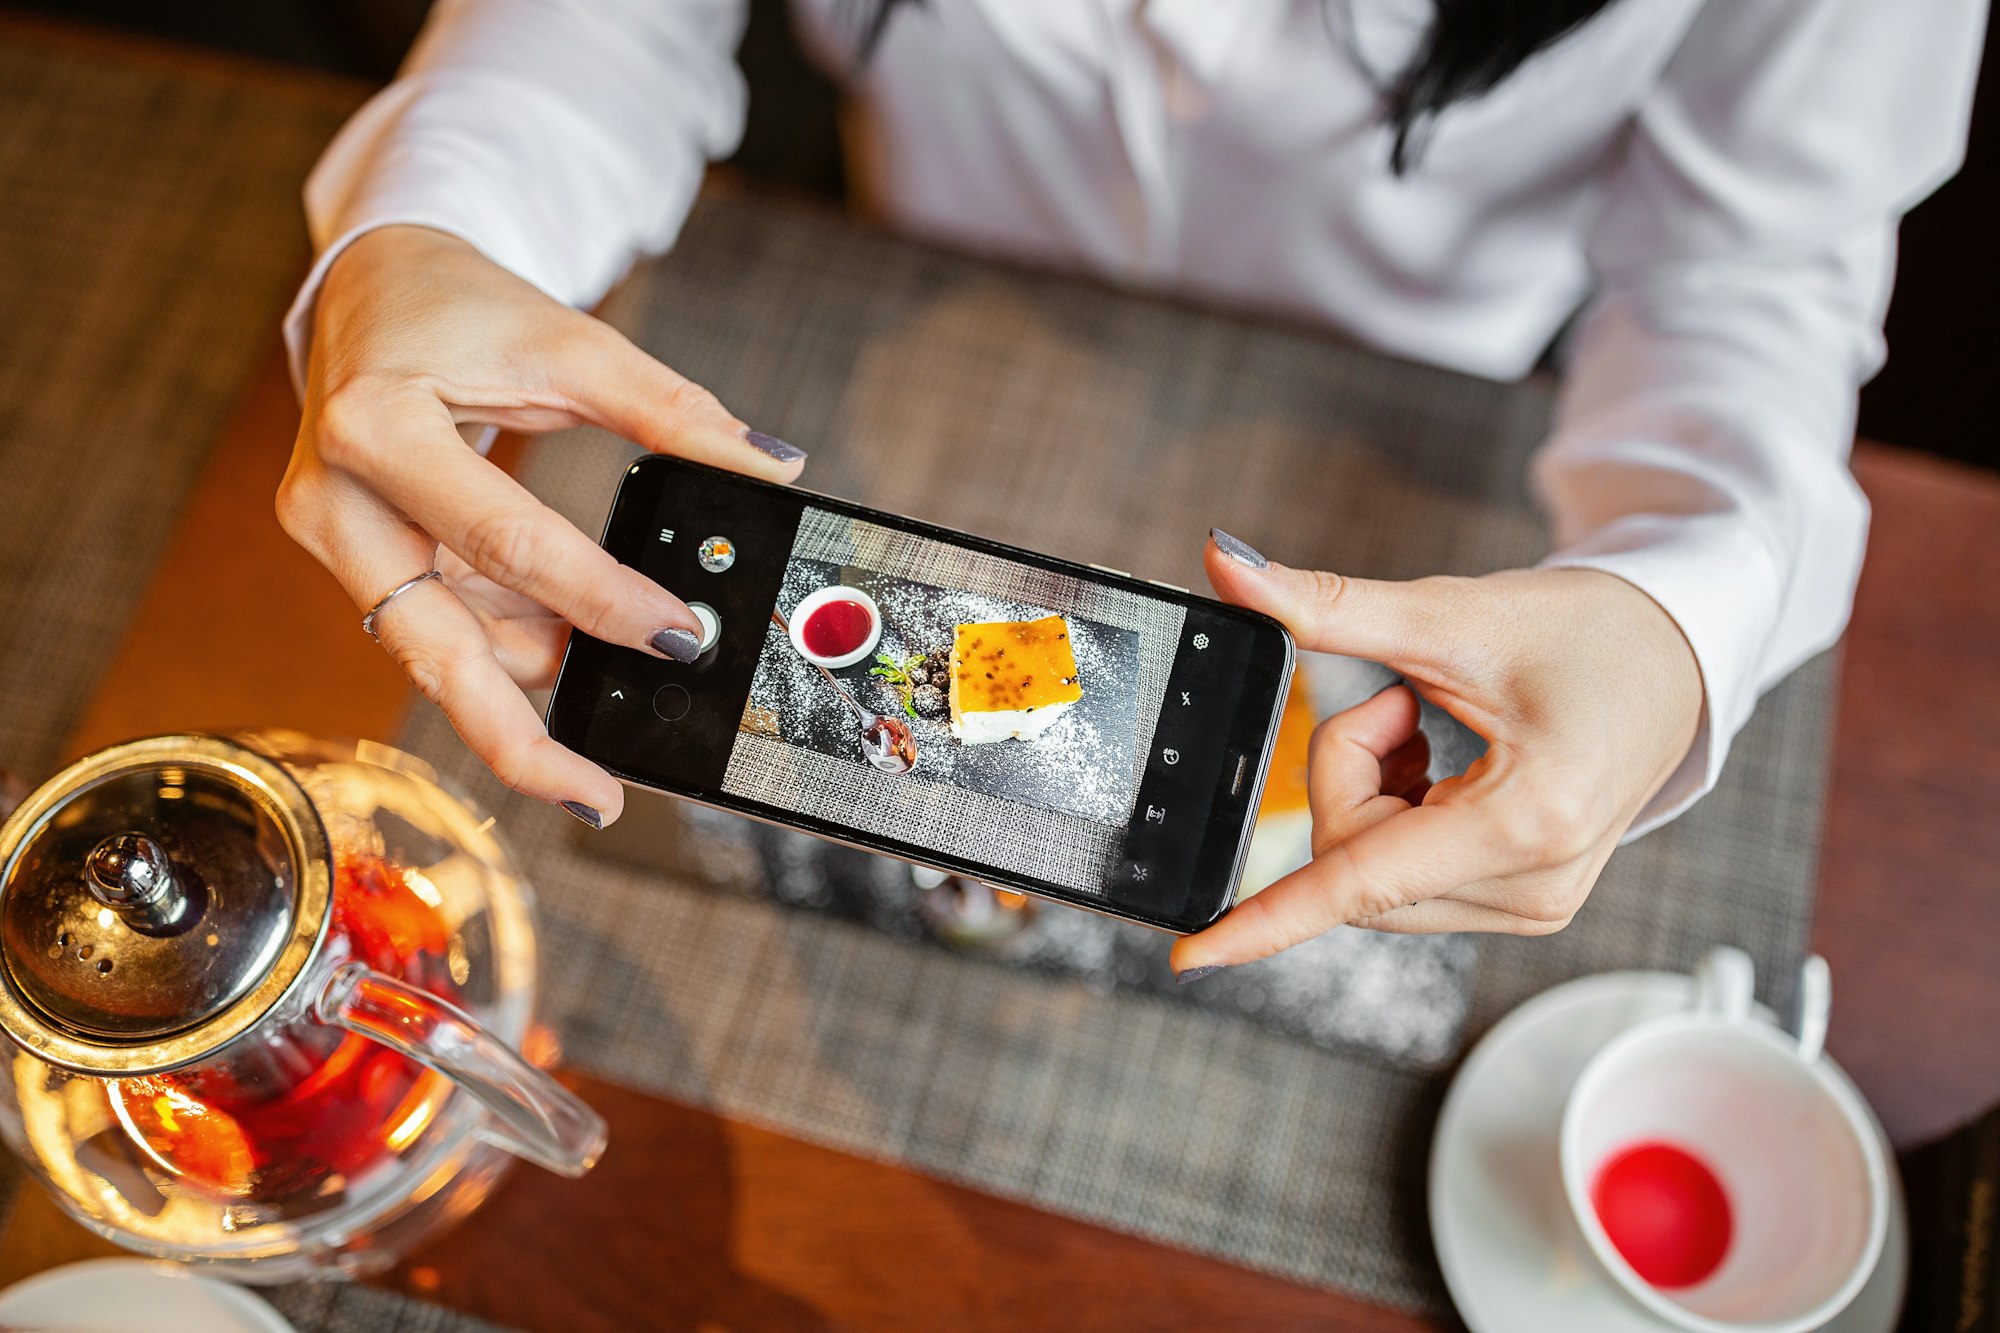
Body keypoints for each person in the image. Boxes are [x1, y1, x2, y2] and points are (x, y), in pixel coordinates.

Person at [277, 0, 1984, 976]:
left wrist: (1684, 619)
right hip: (911, 306)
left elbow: (1751, 280)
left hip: (1425, 430)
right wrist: (437, 225)